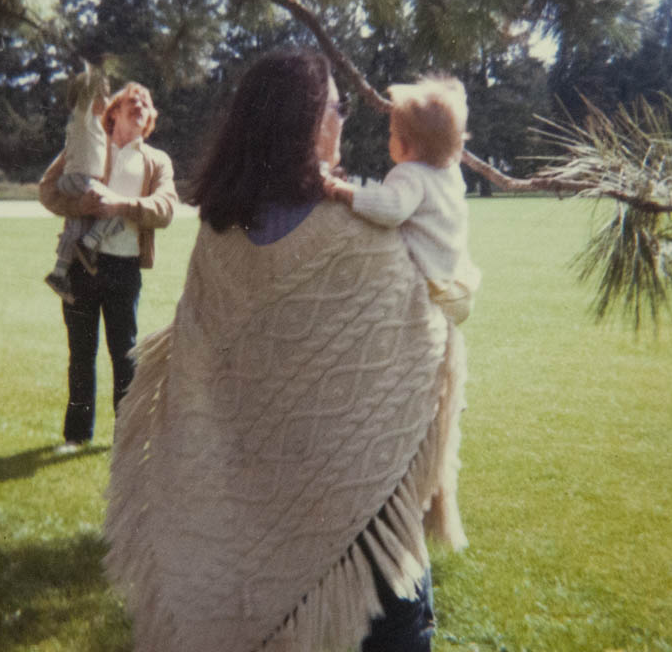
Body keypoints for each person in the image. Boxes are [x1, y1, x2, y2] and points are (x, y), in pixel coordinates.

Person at [103, 49, 469, 652]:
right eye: (337, 107)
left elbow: (199, 379)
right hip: (366, 543)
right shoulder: (364, 240)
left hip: (244, 520)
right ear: (304, 122)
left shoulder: (218, 237)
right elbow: (425, 347)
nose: (344, 120)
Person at [39, 81, 178, 453]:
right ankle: (76, 436)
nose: (141, 105)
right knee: (81, 354)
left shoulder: (156, 160)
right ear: (112, 111)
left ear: (149, 120)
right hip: (79, 268)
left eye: (147, 103)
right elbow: (47, 191)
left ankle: (128, 440)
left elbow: (165, 209)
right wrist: (79, 207)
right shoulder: (85, 146)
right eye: (133, 99)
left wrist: (121, 205)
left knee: (124, 355)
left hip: (124, 269)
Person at [324, 75, 481, 325]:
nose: (389, 139)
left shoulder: (410, 174)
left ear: (406, 145)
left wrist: (346, 191)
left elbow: (391, 208)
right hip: (457, 284)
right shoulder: (450, 172)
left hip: (431, 288)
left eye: (392, 134)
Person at [44, 61, 123, 304]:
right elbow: (86, 96)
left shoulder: (93, 128)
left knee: (75, 229)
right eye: (103, 95)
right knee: (115, 206)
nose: (107, 101)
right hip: (79, 179)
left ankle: (58, 273)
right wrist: (94, 76)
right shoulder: (83, 119)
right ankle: (89, 245)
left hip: (79, 180)